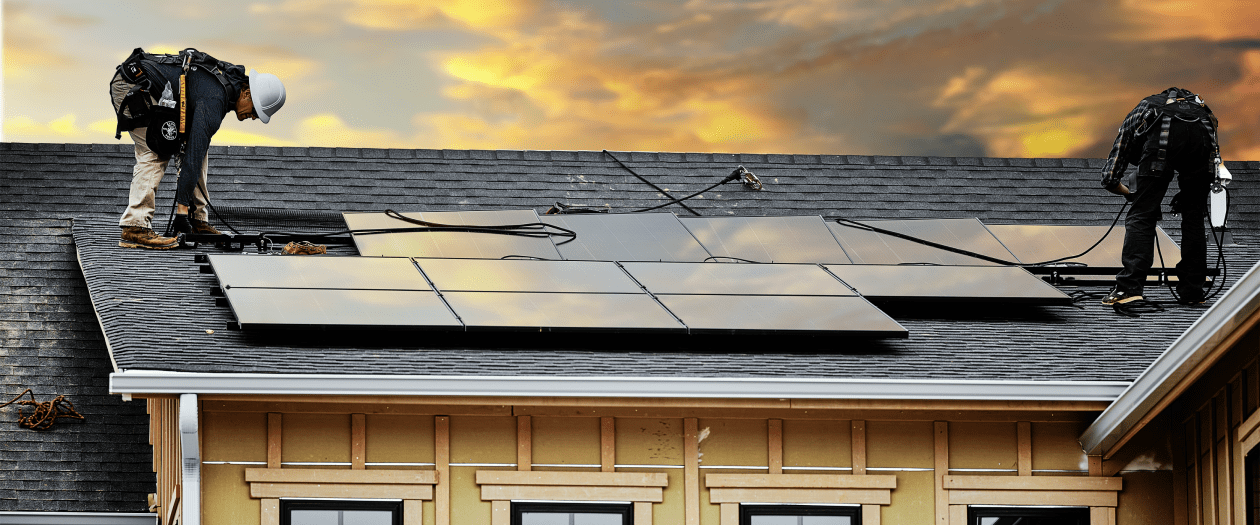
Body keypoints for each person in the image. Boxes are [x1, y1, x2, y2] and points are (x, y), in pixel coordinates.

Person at [111, 49, 286, 249]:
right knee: (157, 147)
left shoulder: (226, 84)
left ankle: (198, 221)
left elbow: (195, 150)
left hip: (145, 85)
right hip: (133, 86)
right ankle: (135, 227)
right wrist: (180, 214)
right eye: (256, 110)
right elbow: (191, 157)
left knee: (199, 147)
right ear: (246, 93)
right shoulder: (215, 99)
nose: (254, 117)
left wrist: (187, 216)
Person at [1100, 87, 1221, 305]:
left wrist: (1133, 195)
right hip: (1201, 151)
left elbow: (1110, 177)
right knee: (1194, 217)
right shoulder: (1204, 112)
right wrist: (1188, 194)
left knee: (1141, 216)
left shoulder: (1141, 111)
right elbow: (1209, 154)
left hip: (1163, 149)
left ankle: (1129, 289)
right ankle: (1193, 291)